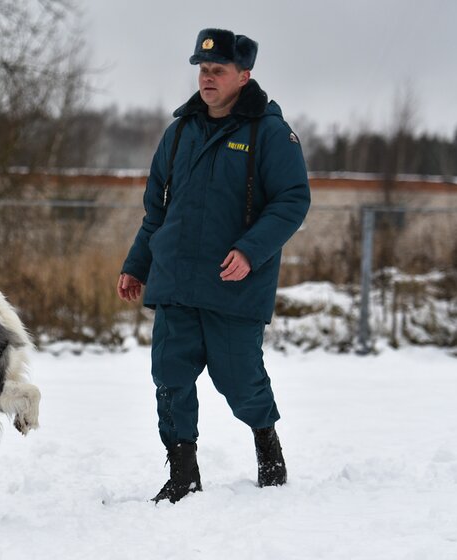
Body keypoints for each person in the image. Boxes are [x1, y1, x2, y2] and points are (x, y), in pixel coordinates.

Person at [117, 28, 311, 504]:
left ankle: (266, 443)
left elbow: (292, 200)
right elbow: (157, 211)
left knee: (239, 380)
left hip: (233, 283)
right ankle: (183, 472)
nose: (206, 78)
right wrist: (137, 264)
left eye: (217, 70)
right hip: (177, 280)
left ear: (243, 75)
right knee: (170, 375)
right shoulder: (179, 132)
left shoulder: (268, 131)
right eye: (202, 69)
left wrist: (250, 250)